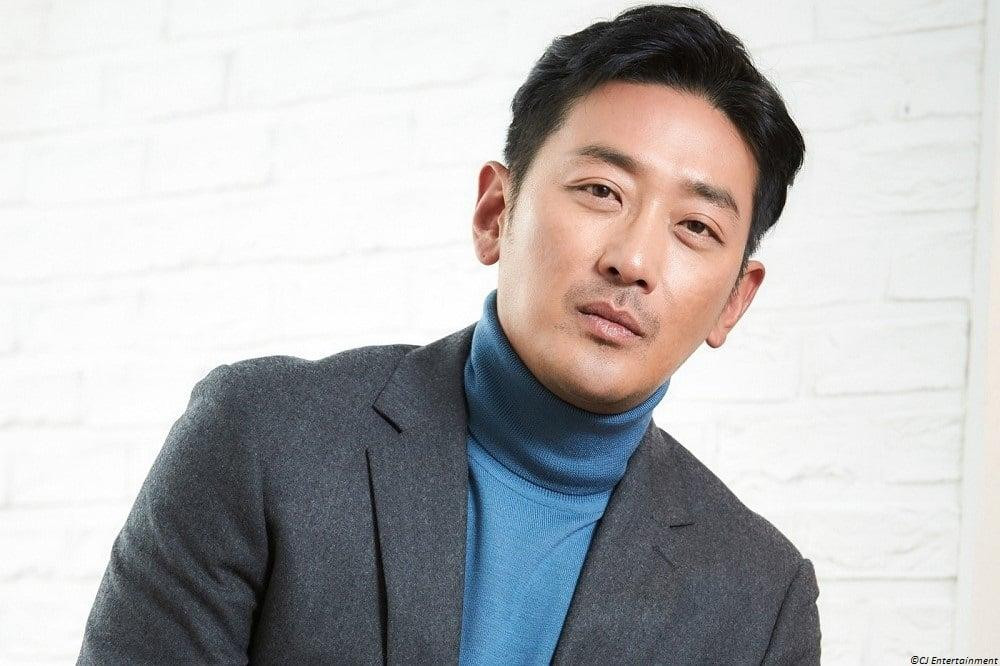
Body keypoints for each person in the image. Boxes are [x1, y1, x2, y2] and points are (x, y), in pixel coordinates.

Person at [77, 4, 820, 664]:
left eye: (696, 227)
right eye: (601, 190)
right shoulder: (261, 438)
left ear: (734, 301)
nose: (633, 260)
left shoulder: (761, 600)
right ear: (496, 213)